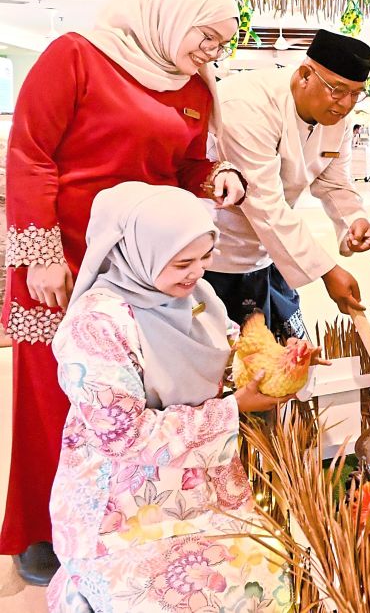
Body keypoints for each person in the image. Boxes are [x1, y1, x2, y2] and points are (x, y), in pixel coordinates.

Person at [2, 0, 245, 585]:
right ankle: (42, 530)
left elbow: (190, 165)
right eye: (207, 36)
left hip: (142, 269)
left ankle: (128, 511)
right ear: (171, 14)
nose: (211, 52)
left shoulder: (194, 87)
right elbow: (29, 153)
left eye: (221, 42)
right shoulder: (77, 57)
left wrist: (214, 180)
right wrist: (42, 255)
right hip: (64, 257)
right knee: (53, 396)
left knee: (135, 391)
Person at [47, 182, 292, 611]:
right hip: (121, 510)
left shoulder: (197, 298)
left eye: (205, 257)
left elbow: (231, 351)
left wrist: (276, 364)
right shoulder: (96, 326)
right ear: (139, 254)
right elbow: (124, 438)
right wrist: (233, 410)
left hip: (203, 489)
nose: (197, 272)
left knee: (272, 583)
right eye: (182, 262)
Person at [206, 30, 370, 339]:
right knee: (233, 372)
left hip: (271, 255)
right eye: (338, 90)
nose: (346, 104)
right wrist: (328, 271)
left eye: (357, 93)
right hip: (215, 255)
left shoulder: (337, 115)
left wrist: (354, 220)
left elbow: (333, 180)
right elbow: (265, 204)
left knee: (293, 363)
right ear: (304, 75)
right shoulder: (246, 105)